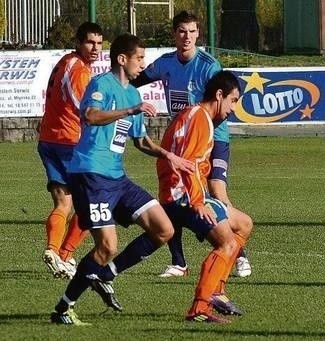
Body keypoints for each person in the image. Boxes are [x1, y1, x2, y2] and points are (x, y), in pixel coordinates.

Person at [50, 33, 194, 325]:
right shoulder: (102, 84)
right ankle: (63, 309)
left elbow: (141, 142)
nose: (143, 64)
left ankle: (106, 274)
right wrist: (129, 110)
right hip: (91, 174)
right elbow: (90, 116)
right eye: (139, 58)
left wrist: (170, 156)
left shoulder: (134, 95)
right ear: (122, 59)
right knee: (107, 246)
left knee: (163, 228)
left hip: (117, 177)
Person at [131, 10, 252, 278]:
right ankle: (178, 262)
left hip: (213, 137)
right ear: (174, 34)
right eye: (182, 31)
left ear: (198, 34)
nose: (187, 37)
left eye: (192, 32)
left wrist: (204, 132)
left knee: (217, 192)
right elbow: (133, 80)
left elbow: (221, 104)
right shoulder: (164, 63)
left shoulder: (209, 66)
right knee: (171, 197)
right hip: (181, 141)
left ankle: (238, 253)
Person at [157, 70, 253, 323]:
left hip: (178, 192)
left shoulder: (194, 115)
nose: (233, 109)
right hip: (184, 196)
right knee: (227, 243)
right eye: (233, 101)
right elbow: (189, 163)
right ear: (219, 95)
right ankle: (200, 308)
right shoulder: (200, 118)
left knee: (243, 224)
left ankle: (217, 291)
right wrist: (198, 203)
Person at [37, 22, 103, 279]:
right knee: (93, 203)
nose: (95, 48)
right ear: (78, 42)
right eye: (90, 42)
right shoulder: (80, 71)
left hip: (49, 140)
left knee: (63, 202)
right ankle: (65, 254)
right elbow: (85, 111)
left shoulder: (66, 61)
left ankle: (54, 250)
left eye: (99, 43)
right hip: (70, 143)